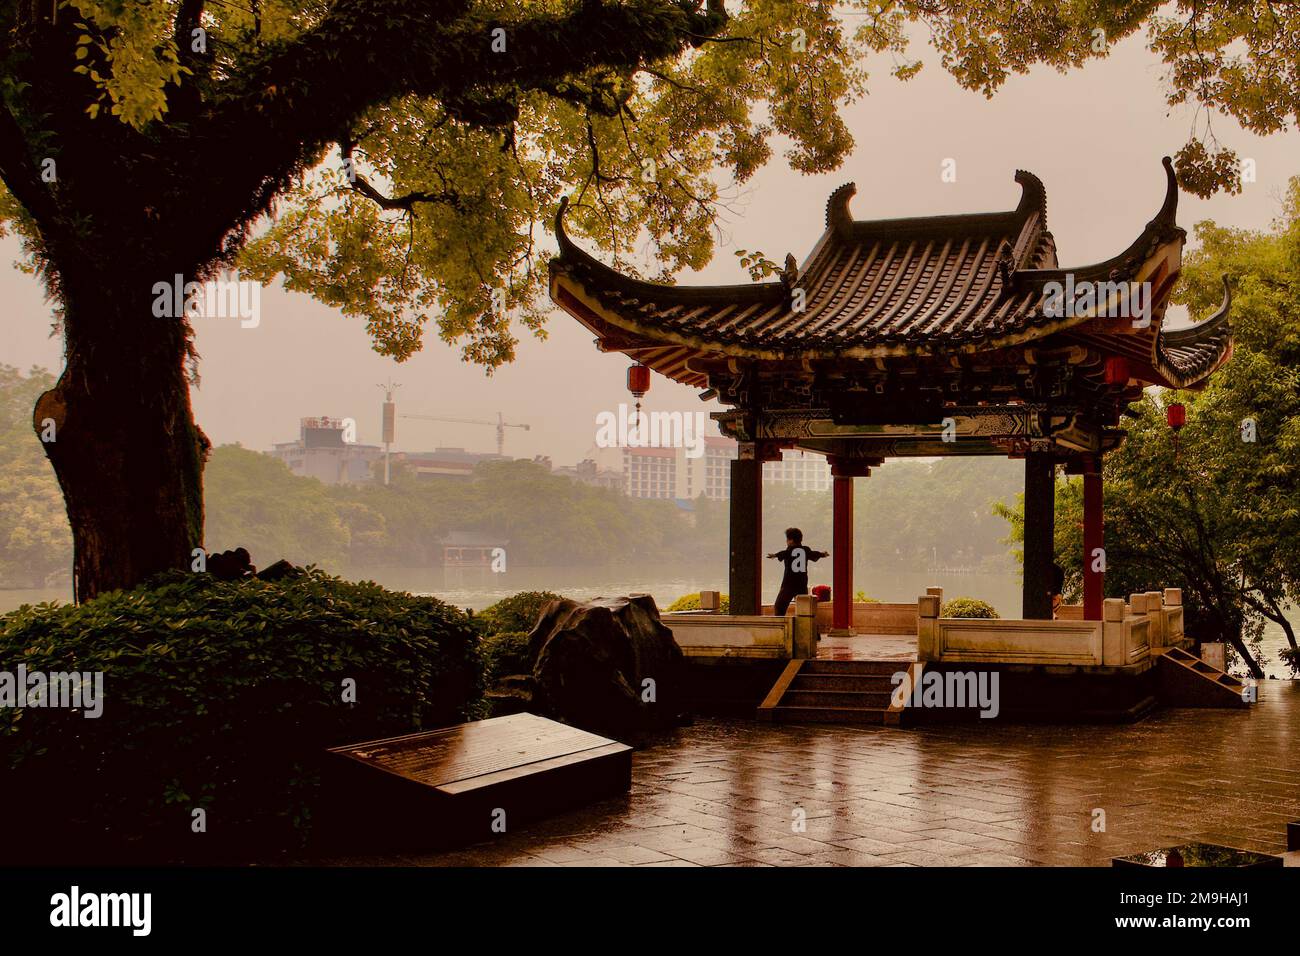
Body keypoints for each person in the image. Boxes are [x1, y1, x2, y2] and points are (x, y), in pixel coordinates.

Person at [767, 528, 828, 616]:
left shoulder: (789, 550)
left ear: (791, 540)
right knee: (804, 610)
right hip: (802, 584)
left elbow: (783, 553)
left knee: (779, 606)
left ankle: (781, 628)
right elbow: (814, 554)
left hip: (789, 584)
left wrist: (775, 555)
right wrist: (822, 554)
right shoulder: (805, 550)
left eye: (787, 539)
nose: (786, 542)